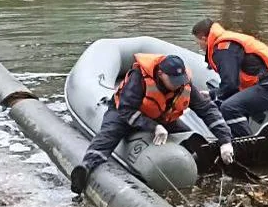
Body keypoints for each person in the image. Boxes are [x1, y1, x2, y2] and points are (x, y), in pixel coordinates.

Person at [70, 53, 234, 194]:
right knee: (107, 137)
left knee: (191, 138)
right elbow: (126, 110)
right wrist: (153, 127)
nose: (178, 84)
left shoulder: (184, 84)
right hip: (126, 114)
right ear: (161, 74)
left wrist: (225, 140)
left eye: (181, 80)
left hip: (162, 118)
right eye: (174, 80)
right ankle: (85, 169)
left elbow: (207, 109)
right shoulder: (139, 78)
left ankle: (208, 168)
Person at [191, 18, 268, 140]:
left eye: (198, 42)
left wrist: (214, 95)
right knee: (225, 102)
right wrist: (212, 94)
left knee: (229, 107)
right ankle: (233, 136)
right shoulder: (227, 42)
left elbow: (230, 84)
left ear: (204, 38)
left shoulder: (223, 48)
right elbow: (235, 85)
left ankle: (249, 145)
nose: (200, 46)